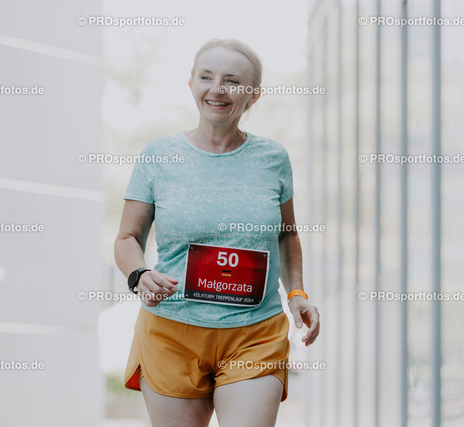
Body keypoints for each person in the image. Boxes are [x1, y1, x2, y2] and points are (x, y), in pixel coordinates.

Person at [114, 38, 320, 427]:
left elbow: (287, 234)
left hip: (254, 332)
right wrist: (139, 275)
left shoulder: (272, 158)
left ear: (253, 94)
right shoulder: (159, 156)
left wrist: (297, 293)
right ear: (191, 83)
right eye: (206, 77)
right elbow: (127, 238)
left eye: (232, 81)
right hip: (172, 331)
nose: (217, 89)